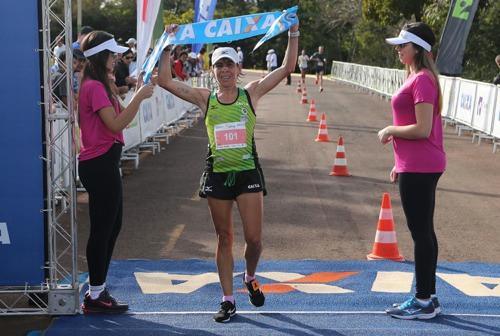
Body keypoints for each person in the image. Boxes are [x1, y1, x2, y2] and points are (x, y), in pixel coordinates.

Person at [158, 18, 299, 323]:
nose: (224, 70)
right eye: (219, 66)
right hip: (218, 175)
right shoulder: (205, 98)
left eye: (229, 65)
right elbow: (166, 81)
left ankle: (249, 276)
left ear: (238, 69)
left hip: (248, 174)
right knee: (224, 237)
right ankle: (227, 299)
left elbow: (287, 68)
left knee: (255, 240)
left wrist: (293, 31)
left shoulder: (251, 94)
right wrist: (167, 46)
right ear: (214, 71)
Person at [78, 30, 154, 314]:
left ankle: (97, 289)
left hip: (104, 162)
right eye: (112, 54)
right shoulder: (94, 87)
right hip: (98, 163)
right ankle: (95, 294)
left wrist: (137, 93)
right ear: (101, 56)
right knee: (102, 229)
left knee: (111, 225)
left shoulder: (99, 84)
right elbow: (116, 124)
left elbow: (122, 118)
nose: (117, 58)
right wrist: (140, 97)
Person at [380, 22, 446, 320]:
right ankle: (428, 297)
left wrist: (390, 130)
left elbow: (421, 129)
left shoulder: (423, 80)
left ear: (418, 48)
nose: (398, 49)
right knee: (424, 231)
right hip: (416, 165)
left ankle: (422, 301)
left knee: (420, 233)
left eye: (402, 45)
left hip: (421, 166)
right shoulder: (420, 78)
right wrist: (399, 163)